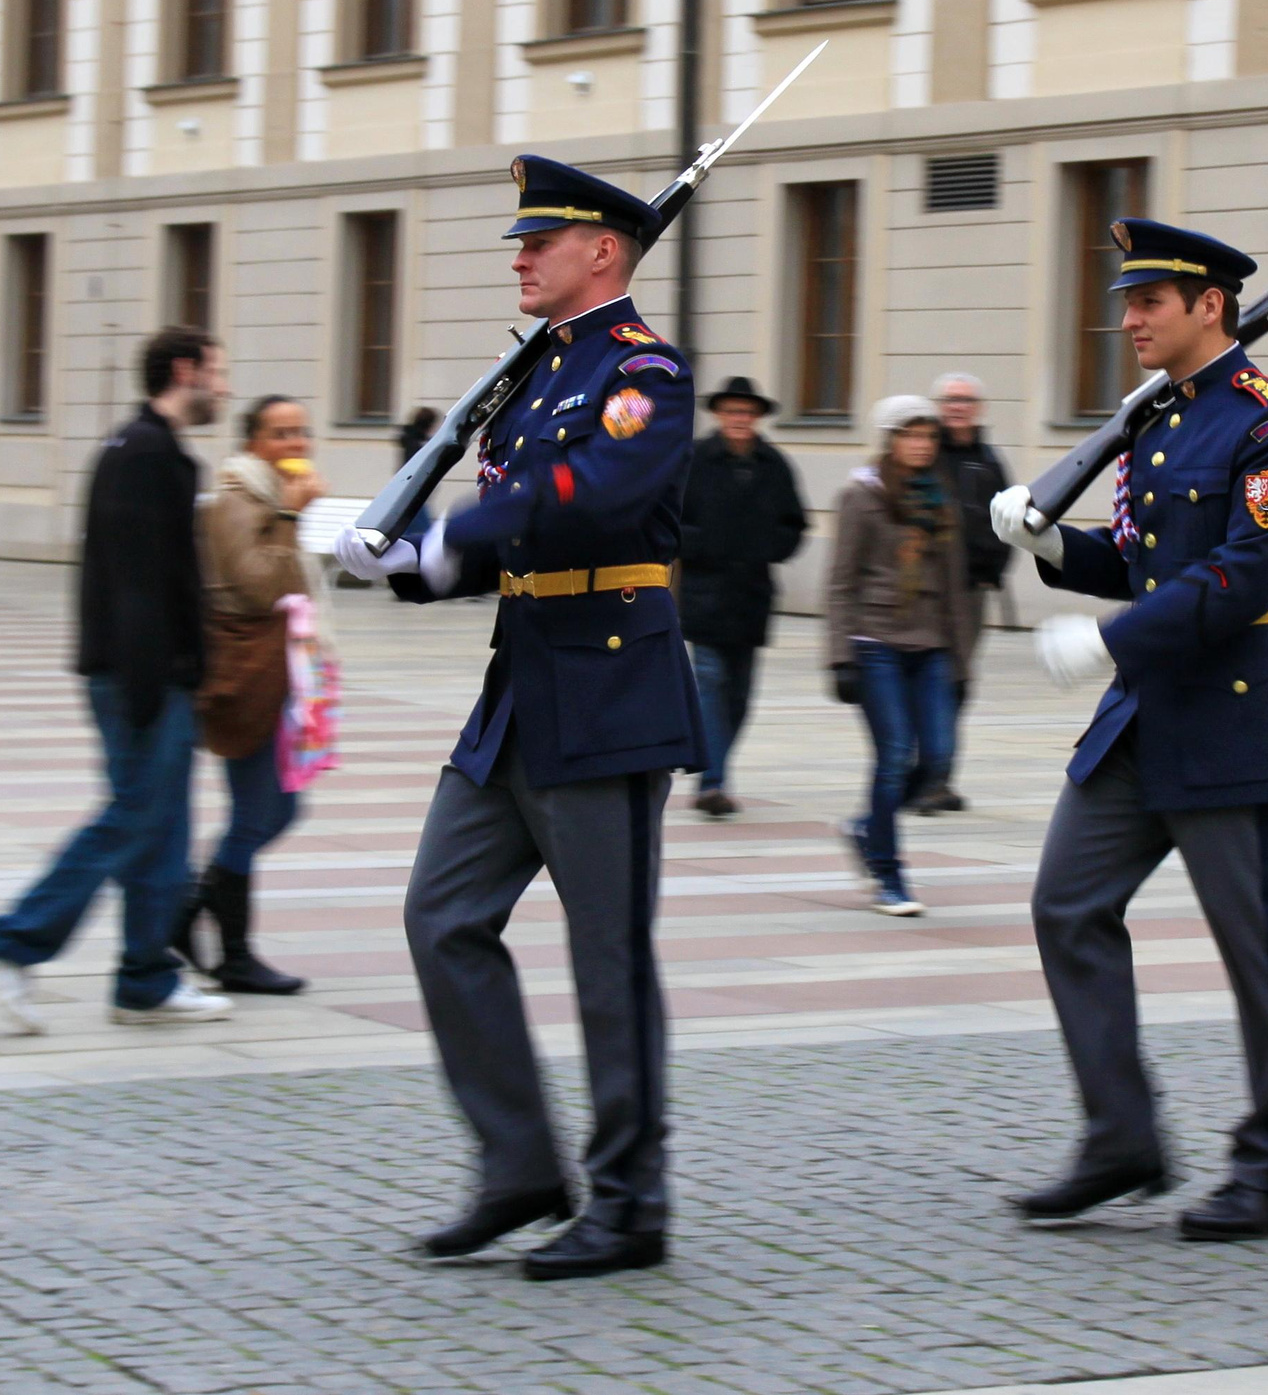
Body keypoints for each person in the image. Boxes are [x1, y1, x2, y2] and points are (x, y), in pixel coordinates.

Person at [335, 155, 704, 1283]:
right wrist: (414, 562)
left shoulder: (644, 371)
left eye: (539, 242)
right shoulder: (538, 371)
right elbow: (511, 525)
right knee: (441, 915)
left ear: (603, 249)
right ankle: (519, 1167)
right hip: (521, 683)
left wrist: (457, 532)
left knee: (607, 957)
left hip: (608, 689)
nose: (521, 258)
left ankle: (630, 1203)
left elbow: (594, 495)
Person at [990, 218, 1268, 1243]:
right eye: (1127, 302)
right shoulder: (1159, 419)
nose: (1128, 319)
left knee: (1252, 943)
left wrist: (1112, 639)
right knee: (1067, 903)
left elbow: (1243, 575)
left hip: (1234, 711)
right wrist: (1056, 545)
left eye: (1148, 302)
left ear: (1208, 306)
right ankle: (1121, 1136)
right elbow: (1142, 554)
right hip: (1145, 713)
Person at [0, 327, 235, 1031]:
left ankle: (145, 978)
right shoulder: (146, 455)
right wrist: (150, 687)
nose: (224, 387)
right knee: (134, 816)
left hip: (152, 673)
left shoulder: (146, 449)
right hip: (142, 676)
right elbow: (138, 583)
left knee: (163, 825)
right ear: (185, 371)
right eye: (217, 372)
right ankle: (8, 942)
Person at [178, 393, 330, 996]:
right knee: (257, 813)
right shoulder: (238, 498)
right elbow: (261, 585)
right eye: (280, 433)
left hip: (275, 674)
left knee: (280, 808)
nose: (295, 444)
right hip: (247, 678)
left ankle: (191, 912)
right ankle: (229, 949)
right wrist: (291, 514)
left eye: (301, 431)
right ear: (252, 443)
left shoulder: (264, 495)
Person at [826, 395, 977, 917]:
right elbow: (841, 582)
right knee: (894, 757)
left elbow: (955, 586)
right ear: (890, 440)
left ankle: (868, 827)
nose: (922, 445)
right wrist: (840, 658)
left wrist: (961, 662)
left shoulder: (940, 500)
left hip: (931, 643)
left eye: (929, 436)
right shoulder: (861, 495)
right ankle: (886, 873)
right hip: (876, 642)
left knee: (936, 758)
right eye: (911, 435)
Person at [677, 376, 807, 818]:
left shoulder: (773, 464)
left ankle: (712, 767)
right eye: (732, 411)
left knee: (739, 697)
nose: (740, 419)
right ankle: (713, 782)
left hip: (752, 594)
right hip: (704, 592)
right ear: (718, 415)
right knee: (711, 683)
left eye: (747, 412)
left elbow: (794, 523)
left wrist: (769, 547)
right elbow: (668, 517)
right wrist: (701, 544)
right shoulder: (695, 459)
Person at [925, 372, 1010, 814]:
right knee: (930, 678)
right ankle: (928, 777)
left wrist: (994, 568)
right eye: (950, 400)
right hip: (927, 590)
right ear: (939, 407)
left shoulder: (988, 460)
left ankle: (938, 777)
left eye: (965, 401)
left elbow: (1009, 518)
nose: (957, 408)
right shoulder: (925, 453)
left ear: (978, 410)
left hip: (972, 589)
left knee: (956, 681)